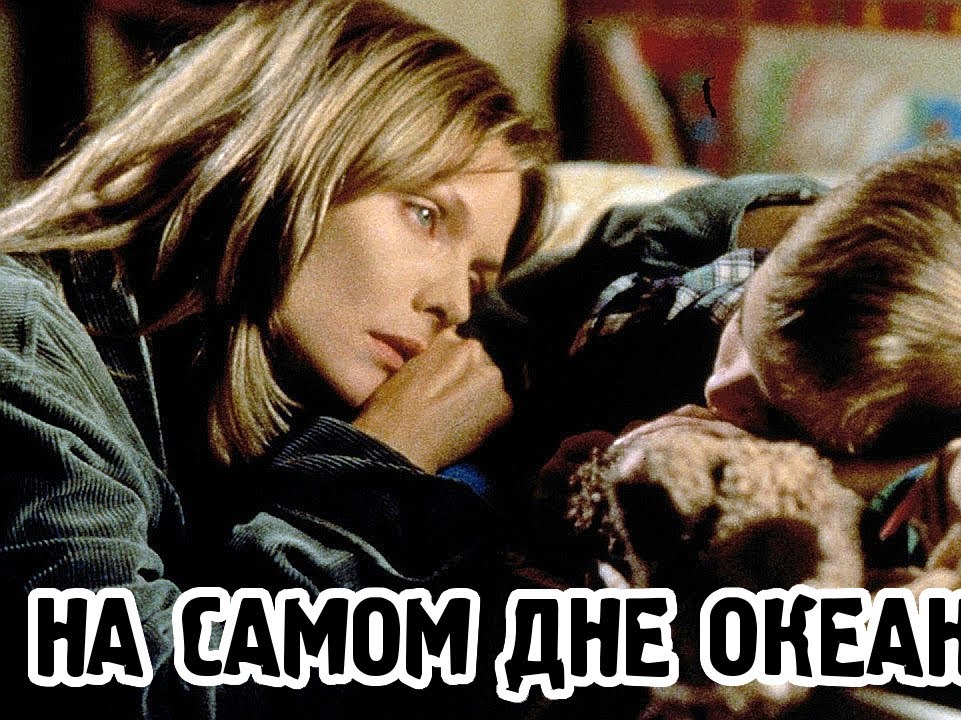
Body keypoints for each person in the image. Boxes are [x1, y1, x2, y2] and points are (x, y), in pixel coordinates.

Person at [2, 0, 555, 716]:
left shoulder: (255, 381)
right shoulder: (21, 338)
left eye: (479, 278)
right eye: (424, 215)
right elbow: (138, 692)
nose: (451, 301)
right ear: (289, 153)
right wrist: (374, 473)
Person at [505, 142, 961, 495]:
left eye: (780, 418)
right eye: (745, 336)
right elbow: (535, 301)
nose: (721, 392)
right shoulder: (690, 285)